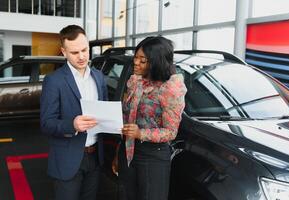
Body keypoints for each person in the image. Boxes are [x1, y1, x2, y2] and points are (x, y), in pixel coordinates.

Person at [114, 36, 187, 200]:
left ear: (156, 62)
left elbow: (170, 132)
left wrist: (141, 134)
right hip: (128, 151)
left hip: (153, 155)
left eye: (143, 60)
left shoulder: (170, 87)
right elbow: (127, 120)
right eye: (136, 58)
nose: (136, 63)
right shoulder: (136, 80)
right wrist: (119, 152)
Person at [40, 24, 108, 200]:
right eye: (74, 52)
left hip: (95, 157)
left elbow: (105, 110)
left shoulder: (99, 77)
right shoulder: (53, 81)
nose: (81, 56)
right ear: (63, 52)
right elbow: (46, 123)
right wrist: (72, 124)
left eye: (85, 50)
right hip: (67, 159)